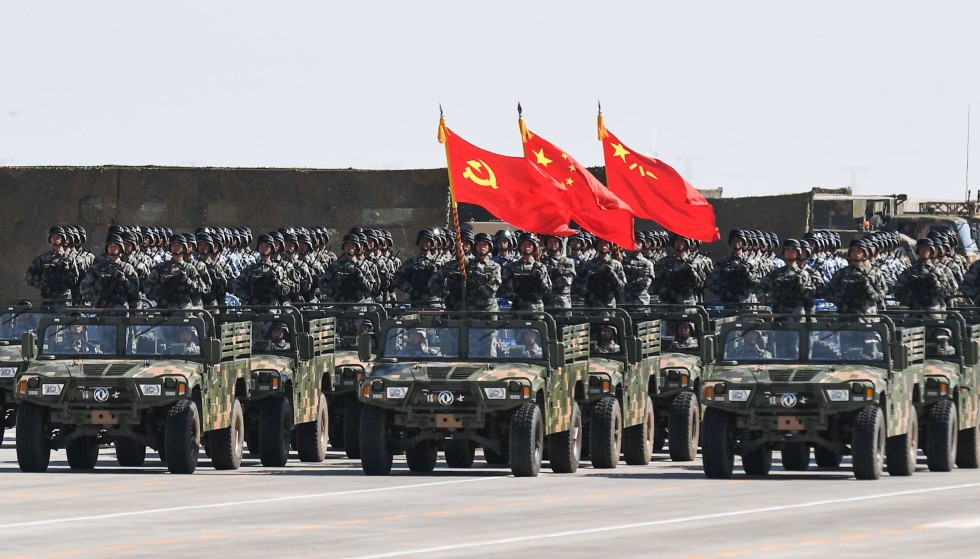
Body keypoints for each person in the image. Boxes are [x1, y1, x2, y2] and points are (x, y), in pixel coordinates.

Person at [25, 226, 81, 304]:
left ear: (63, 239)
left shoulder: (69, 258)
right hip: (47, 298)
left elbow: (75, 279)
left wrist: (65, 277)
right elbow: (29, 275)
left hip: (64, 299)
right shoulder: (43, 258)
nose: (55, 238)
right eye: (53, 236)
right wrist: (42, 285)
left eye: (58, 236)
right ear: (50, 239)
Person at [501, 233, 552, 312]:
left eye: (529, 244)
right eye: (524, 244)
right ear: (520, 247)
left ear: (534, 247)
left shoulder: (540, 267)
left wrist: (540, 278)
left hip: (536, 309)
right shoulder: (511, 267)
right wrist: (515, 298)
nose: (526, 247)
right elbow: (503, 288)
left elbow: (548, 290)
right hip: (518, 308)